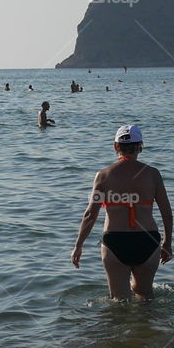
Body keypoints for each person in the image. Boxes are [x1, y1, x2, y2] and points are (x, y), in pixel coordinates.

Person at [71, 125, 172, 300]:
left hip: (115, 241)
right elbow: (167, 213)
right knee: (146, 298)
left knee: (119, 301)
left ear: (115, 146)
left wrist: (78, 245)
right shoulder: (153, 174)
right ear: (140, 145)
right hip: (148, 239)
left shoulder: (103, 175)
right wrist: (167, 243)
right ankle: (148, 327)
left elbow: (90, 214)